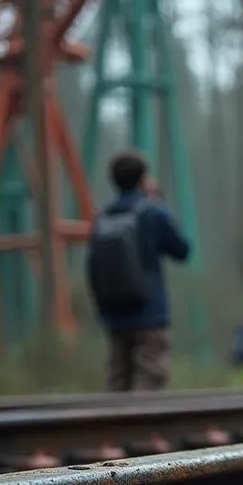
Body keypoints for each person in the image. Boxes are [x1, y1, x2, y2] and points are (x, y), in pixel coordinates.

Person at [86, 151, 191, 392]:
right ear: (143, 179)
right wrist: (157, 202)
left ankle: (113, 427)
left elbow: (92, 265)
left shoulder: (103, 217)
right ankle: (137, 428)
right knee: (149, 376)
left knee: (117, 380)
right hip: (149, 312)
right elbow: (182, 250)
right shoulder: (152, 213)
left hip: (114, 314)